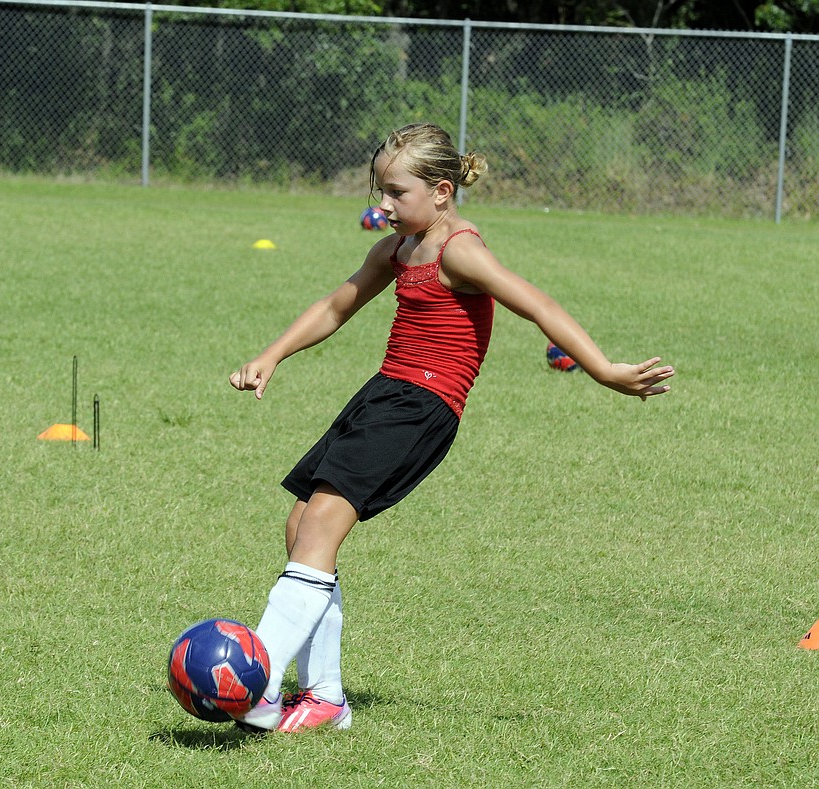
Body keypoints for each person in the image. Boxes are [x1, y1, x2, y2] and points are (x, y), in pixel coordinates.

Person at [228, 122, 674, 733]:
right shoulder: (395, 249)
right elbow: (337, 305)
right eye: (377, 191)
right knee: (302, 523)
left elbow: (536, 303)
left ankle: (255, 684)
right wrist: (272, 353)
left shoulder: (459, 249)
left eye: (394, 192)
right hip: (383, 393)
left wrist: (601, 368)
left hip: (422, 406)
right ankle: (325, 696)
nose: (381, 205)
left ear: (441, 191)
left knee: (321, 527)